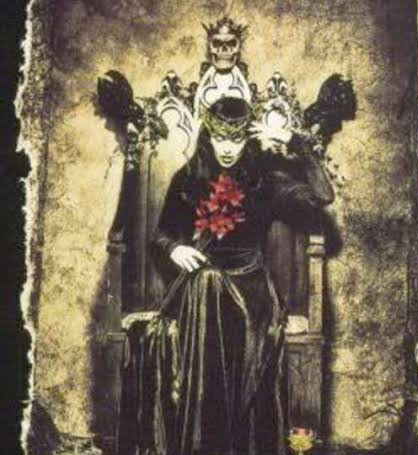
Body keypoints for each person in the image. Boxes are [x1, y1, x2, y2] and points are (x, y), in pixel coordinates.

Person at [117, 96, 334, 455]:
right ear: (208, 135)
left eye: (236, 139)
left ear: (249, 136)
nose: (228, 148)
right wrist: (174, 248)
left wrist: (294, 142)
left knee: (211, 284)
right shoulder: (189, 179)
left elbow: (323, 196)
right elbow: (161, 235)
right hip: (202, 291)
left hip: (252, 289)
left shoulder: (265, 181)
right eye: (220, 138)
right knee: (208, 281)